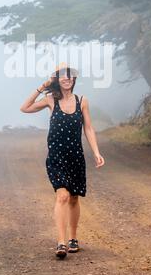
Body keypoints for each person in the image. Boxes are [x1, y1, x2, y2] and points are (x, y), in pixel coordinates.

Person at [20, 62, 105, 259]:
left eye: (70, 75)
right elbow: (25, 108)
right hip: (56, 156)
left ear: (74, 79)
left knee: (74, 198)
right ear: (57, 79)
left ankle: (73, 238)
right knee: (62, 196)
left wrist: (96, 152)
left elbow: (89, 128)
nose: (67, 78)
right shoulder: (50, 100)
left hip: (76, 156)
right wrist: (43, 86)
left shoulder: (82, 100)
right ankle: (61, 242)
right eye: (62, 75)